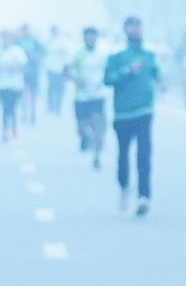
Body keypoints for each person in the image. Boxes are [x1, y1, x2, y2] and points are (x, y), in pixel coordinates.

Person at [104, 17, 162, 215]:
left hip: (144, 110)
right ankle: (124, 186)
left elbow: (155, 72)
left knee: (144, 154)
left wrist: (161, 81)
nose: (135, 30)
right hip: (123, 113)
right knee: (123, 155)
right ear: (125, 30)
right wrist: (127, 71)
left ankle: (144, 196)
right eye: (131, 27)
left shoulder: (149, 53)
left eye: (138, 27)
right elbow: (107, 79)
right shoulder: (116, 54)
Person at [68, 27, 109, 167]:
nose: (90, 39)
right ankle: (87, 138)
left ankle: (97, 156)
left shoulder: (103, 54)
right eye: (88, 36)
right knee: (82, 128)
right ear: (84, 38)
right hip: (81, 96)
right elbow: (67, 70)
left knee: (98, 126)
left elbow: (110, 70)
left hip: (97, 95)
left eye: (93, 36)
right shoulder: (78, 54)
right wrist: (76, 79)